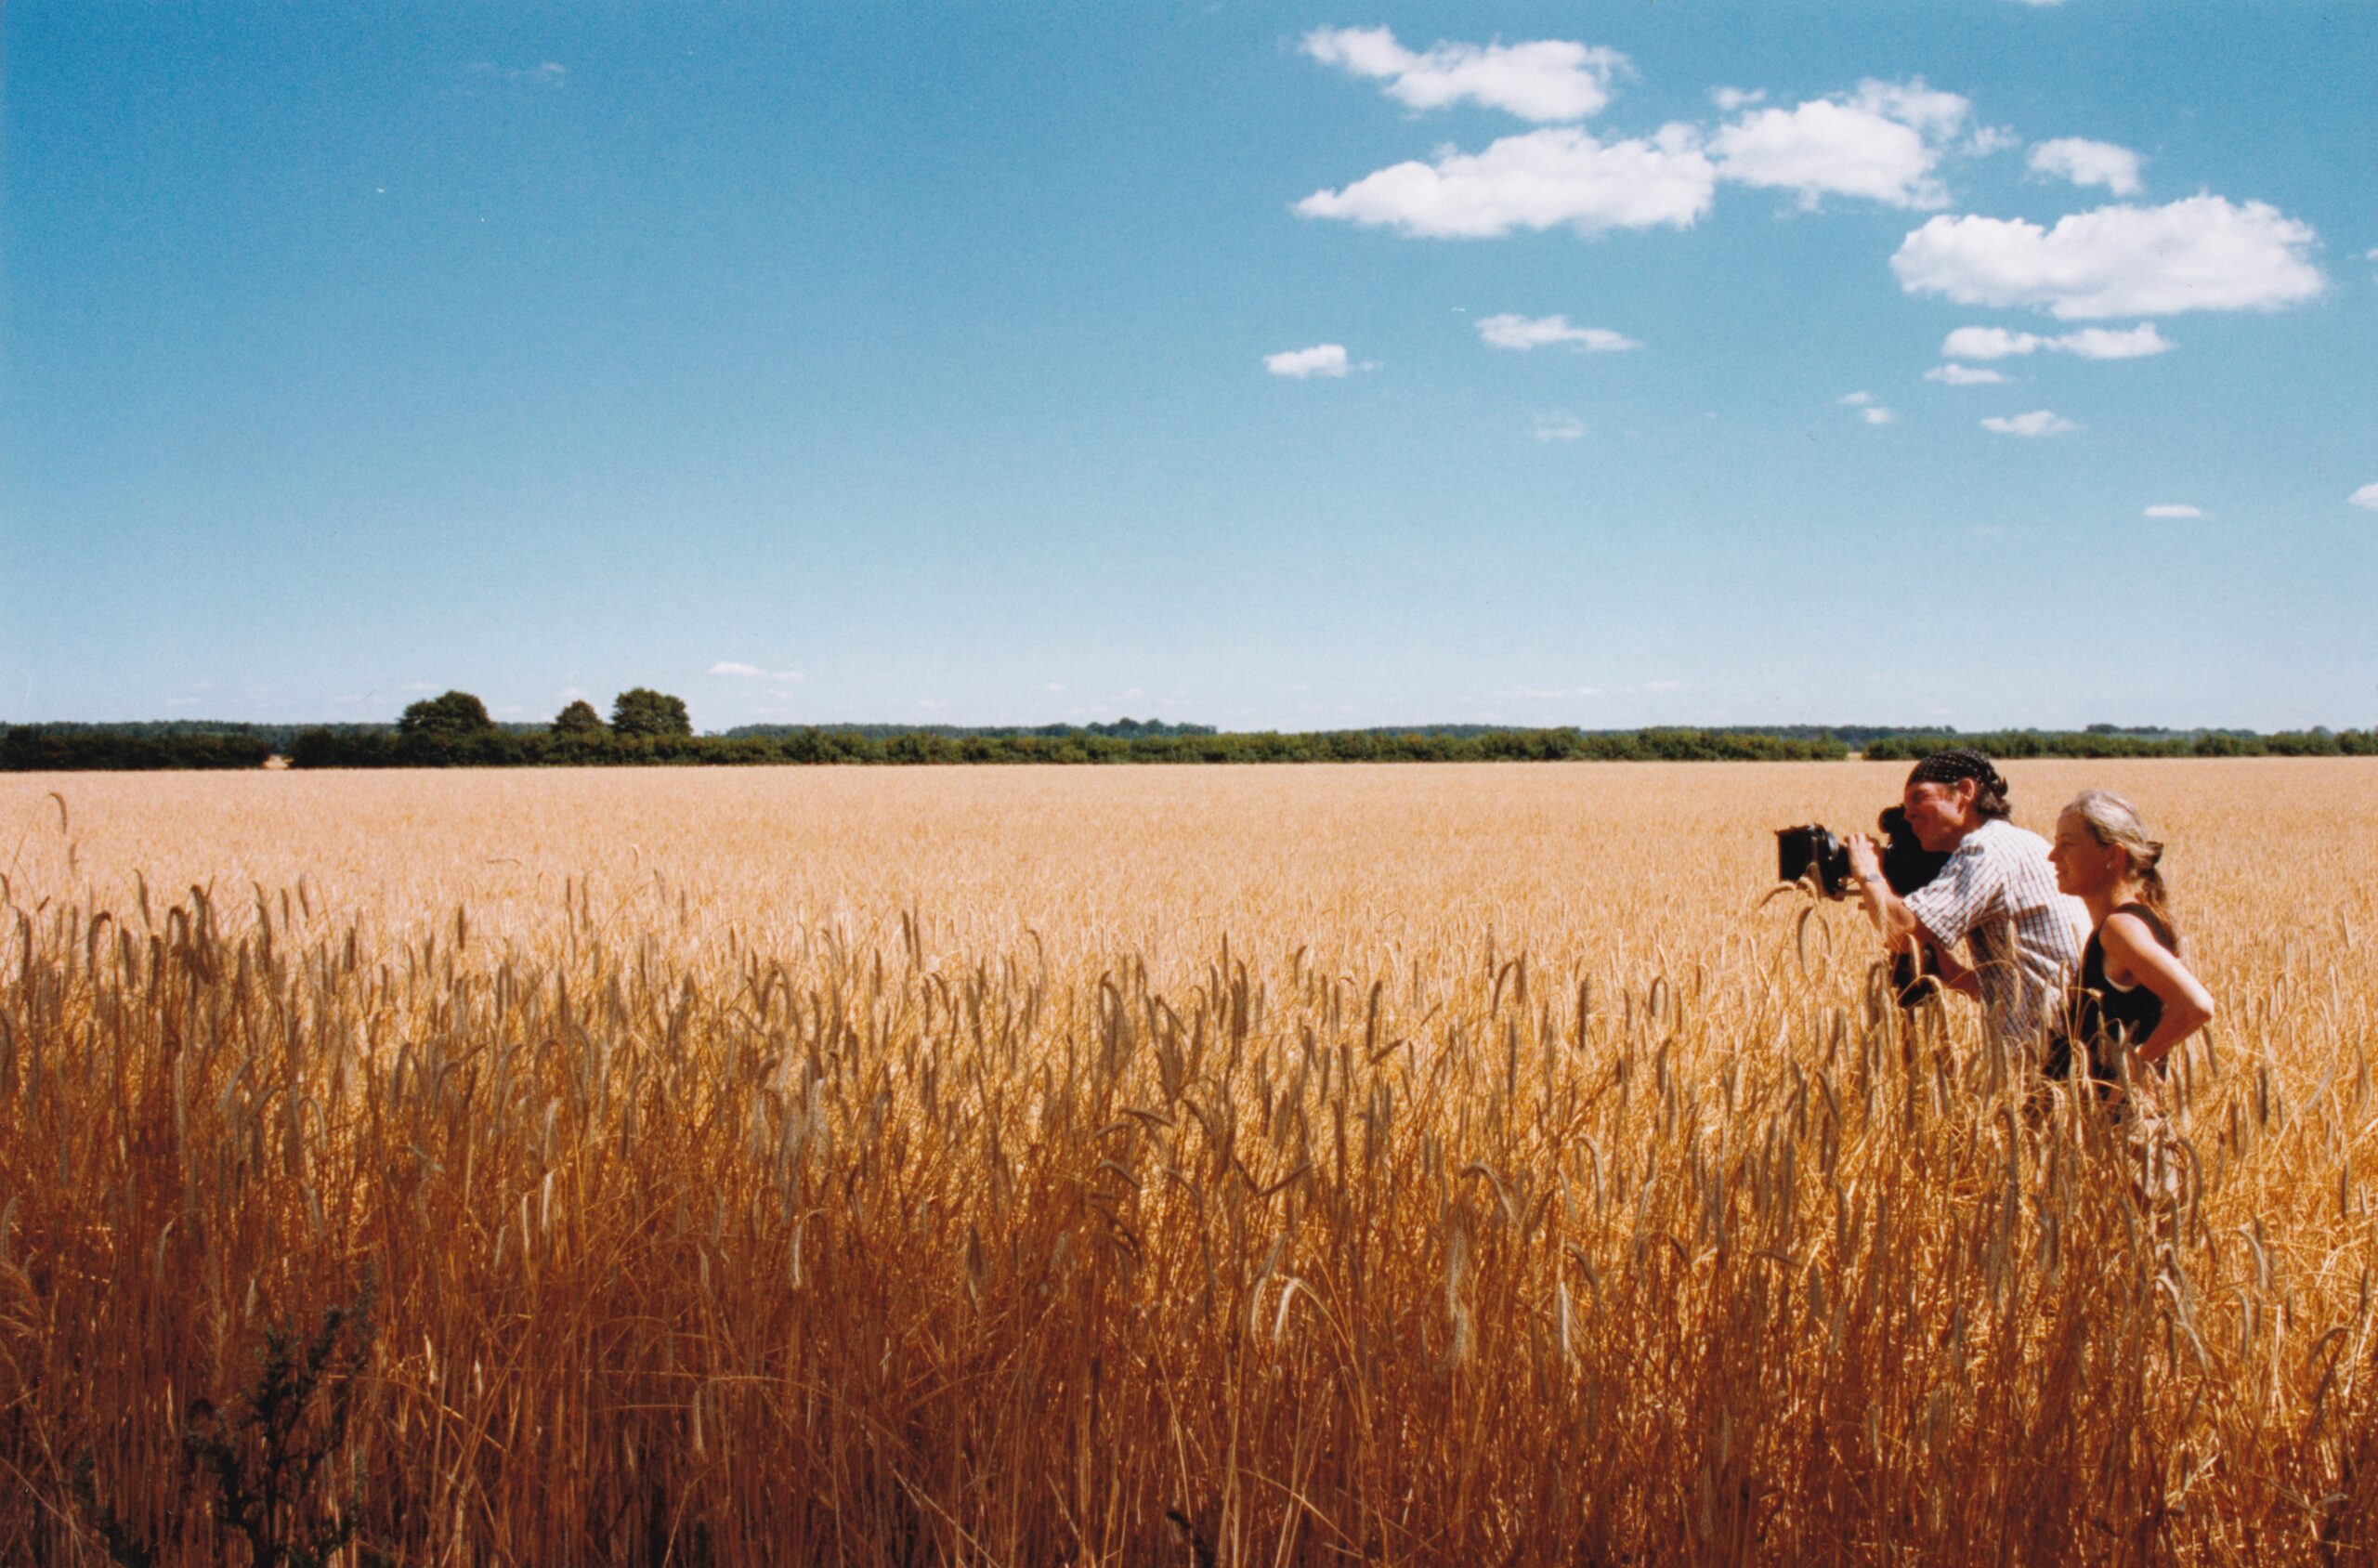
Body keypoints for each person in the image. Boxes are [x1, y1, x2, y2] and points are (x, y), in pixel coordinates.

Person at [1844, 749, 2088, 1050]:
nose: (1908, 815)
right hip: (2064, 1040)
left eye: (1920, 798)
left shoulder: (1986, 849)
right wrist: (1947, 968)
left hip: (2050, 1052)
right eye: (1906, 807)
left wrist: (1868, 871)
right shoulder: (2017, 841)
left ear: (1965, 792)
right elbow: (2016, 981)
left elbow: (1901, 931)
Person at [2043, 789, 2215, 1103]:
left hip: (2121, 1134)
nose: (2053, 856)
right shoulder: (2132, 920)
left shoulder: (2120, 928)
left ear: (2114, 856)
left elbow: (2196, 1005)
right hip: (2105, 1131)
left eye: (2066, 845)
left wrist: (2135, 1068)